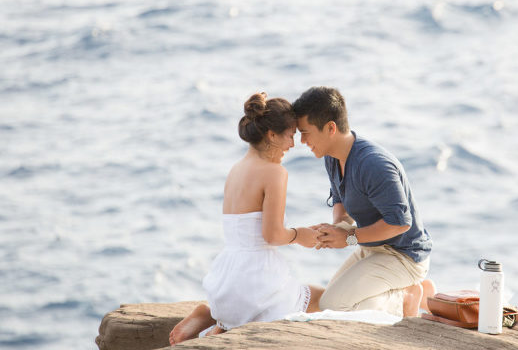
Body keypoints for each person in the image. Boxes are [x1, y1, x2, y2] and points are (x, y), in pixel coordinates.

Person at [168, 92, 323, 345]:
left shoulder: (235, 170)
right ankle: (219, 321)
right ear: (271, 135)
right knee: (322, 298)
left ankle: (216, 318)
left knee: (273, 302)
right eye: (290, 135)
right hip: (253, 283)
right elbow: (272, 235)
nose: (293, 144)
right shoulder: (276, 173)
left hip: (224, 283)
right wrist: (300, 235)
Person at [292, 86, 435, 317]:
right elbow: (342, 209)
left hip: (404, 256)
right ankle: (411, 292)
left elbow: (400, 223)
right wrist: (334, 229)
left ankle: (406, 296)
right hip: (373, 247)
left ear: (330, 128)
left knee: (335, 306)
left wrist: (349, 237)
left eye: (305, 132)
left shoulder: (373, 164)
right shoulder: (332, 157)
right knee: (329, 301)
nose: (302, 140)